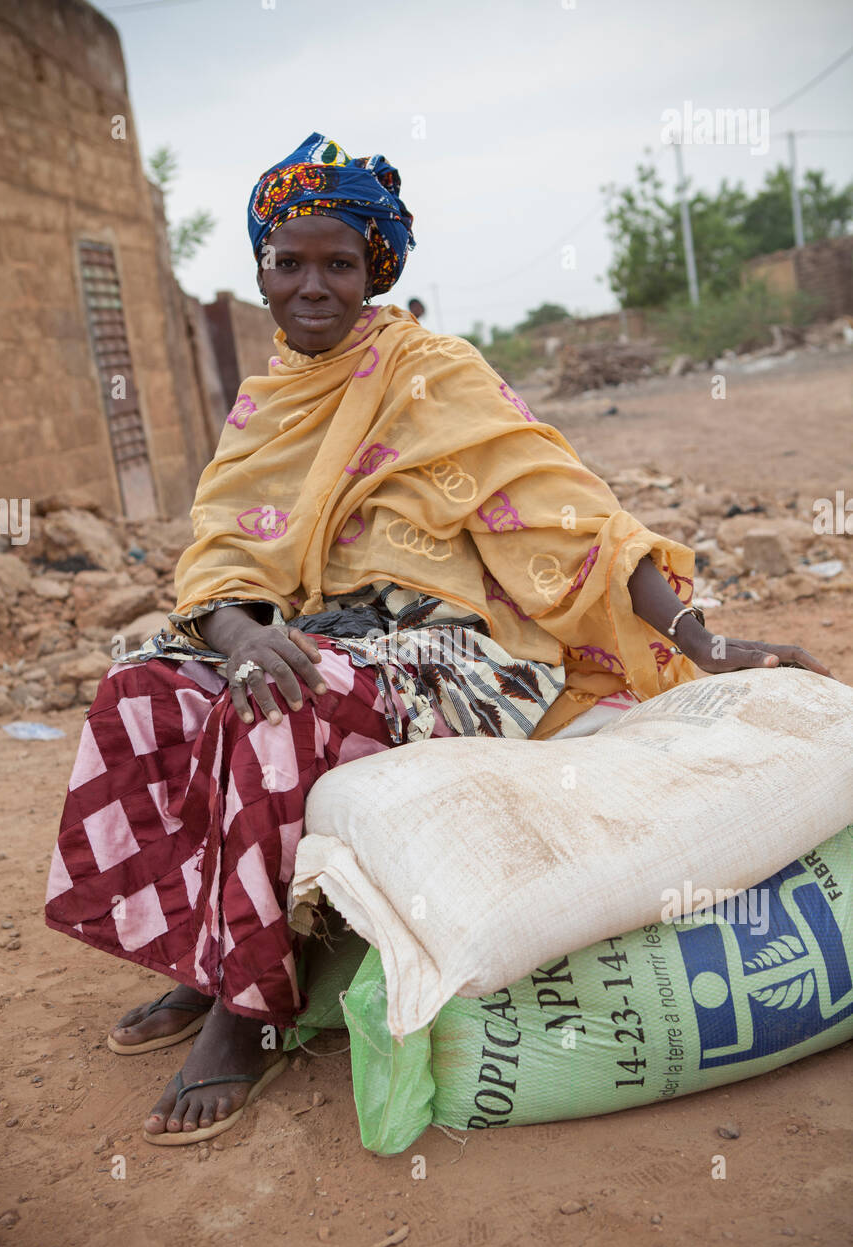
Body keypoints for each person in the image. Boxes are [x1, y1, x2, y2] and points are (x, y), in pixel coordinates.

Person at [45, 132, 830, 1148]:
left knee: (282, 701)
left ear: (375, 266)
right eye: (290, 262)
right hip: (320, 636)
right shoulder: (262, 405)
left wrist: (701, 639)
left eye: (338, 261)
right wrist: (237, 632)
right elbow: (220, 564)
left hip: (456, 656)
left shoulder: (430, 372)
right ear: (262, 270)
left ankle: (248, 1010)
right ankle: (199, 962)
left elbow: (571, 520)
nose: (312, 284)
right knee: (138, 689)